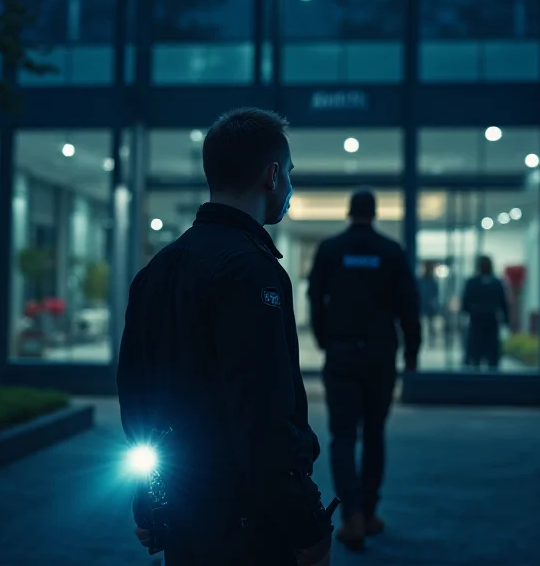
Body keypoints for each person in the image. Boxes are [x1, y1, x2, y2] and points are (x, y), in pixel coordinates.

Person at [117, 107, 334, 566]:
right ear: (272, 175)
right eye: (290, 174)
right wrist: (305, 523)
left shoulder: (157, 270)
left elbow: (137, 400)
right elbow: (263, 420)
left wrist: (148, 500)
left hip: (182, 512)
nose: (292, 188)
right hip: (245, 522)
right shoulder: (252, 272)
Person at [307, 189, 421, 552]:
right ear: (374, 213)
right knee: (374, 434)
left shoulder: (330, 249)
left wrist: (326, 340)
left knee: (343, 436)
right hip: (380, 354)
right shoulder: (390, 251)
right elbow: (409, 304)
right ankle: (369, 514)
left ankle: (351, 518)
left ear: (348, 212)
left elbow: (315, 298)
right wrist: (412, 351)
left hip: (341, 351)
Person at [461, 255, 510, 372]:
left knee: (476, 354)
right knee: (491, 356)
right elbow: (503, 304)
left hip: (476, 321)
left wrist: (474, 310)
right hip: (491, 321)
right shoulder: (497, 283)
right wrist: (506, 321)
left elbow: (465, 304)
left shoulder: (471, 282)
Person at [418, 261, 441, 346]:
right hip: (424, 304)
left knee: (429, 322)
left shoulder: (429, 281)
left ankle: (430, 338)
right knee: (425, 322)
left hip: (427, 304)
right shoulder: (424, 281)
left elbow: (434, 293)